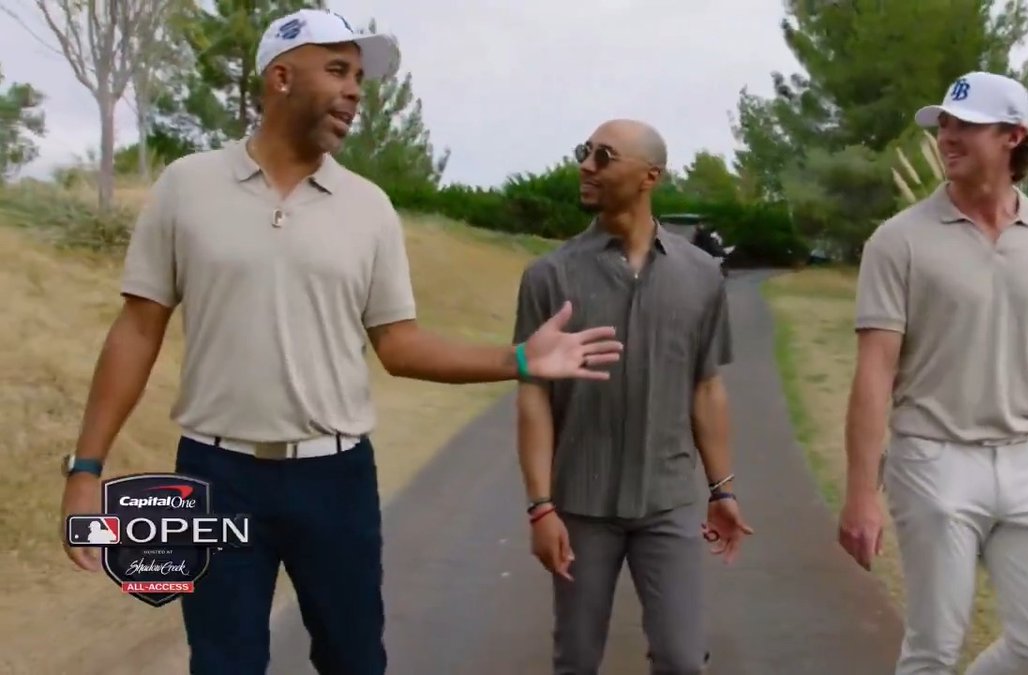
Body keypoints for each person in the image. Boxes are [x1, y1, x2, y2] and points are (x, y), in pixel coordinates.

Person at [57, 9, 624, 675]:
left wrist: (520, 358)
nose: (356, 89)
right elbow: (137, 328)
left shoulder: (369, 209)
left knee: (354, 659)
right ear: (280, 77)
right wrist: (86, 470)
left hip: (335, 478)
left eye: (359, 75)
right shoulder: (187, 186)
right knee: (221, 662)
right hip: (215, 479)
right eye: (337, 70)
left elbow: (399, 344)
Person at [837, 71, 1028, 675]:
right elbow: (875, 371)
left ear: (1013, 136)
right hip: (932, 458)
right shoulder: (897, 241)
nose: (948, 137)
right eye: (945, 125)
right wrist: (859, 494)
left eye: (967, 126)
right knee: (933, 650)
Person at [512, 118, 754, 675]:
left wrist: (722, 489)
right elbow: (533, 399)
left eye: (603, 156)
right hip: (580, 505)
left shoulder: (701, 275)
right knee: (575, 659)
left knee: (682, 658)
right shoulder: (549, 276)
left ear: (650, 176)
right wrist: (540, 505)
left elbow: (707, 387)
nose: (586, 166)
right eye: (585, 152)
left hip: (667, 501)